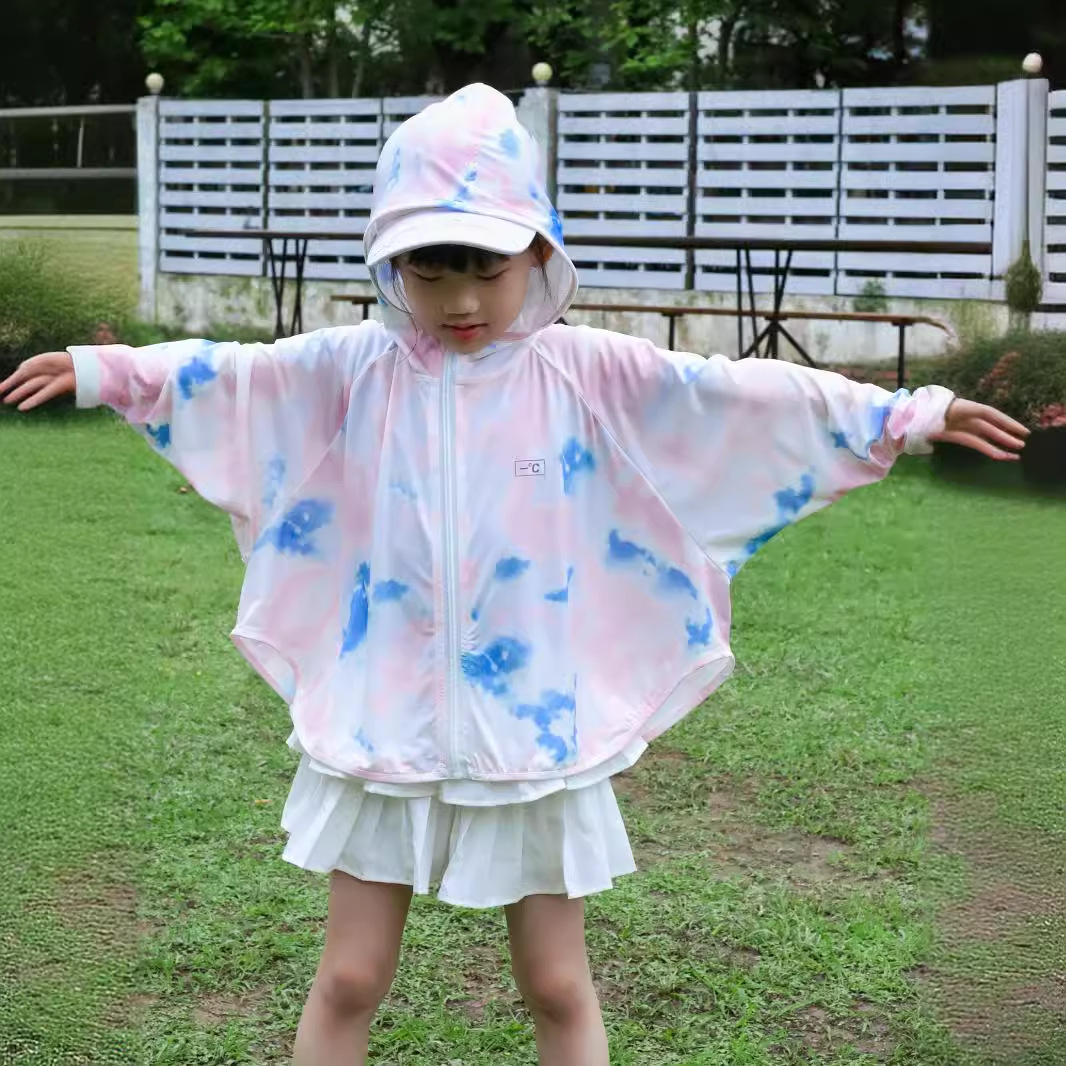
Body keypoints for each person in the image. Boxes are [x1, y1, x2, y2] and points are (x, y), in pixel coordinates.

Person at [0, 84, 1029, 1066]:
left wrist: (907, 412)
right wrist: (104, 369)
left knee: (556, 983)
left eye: (485, 271)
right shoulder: (353, 368)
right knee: (349, 977)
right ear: (392, 265)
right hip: (386, 721)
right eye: (428, 272)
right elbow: (235, 375)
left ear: (536, 253)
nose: (458, 302)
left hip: (537, 726)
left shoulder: (585, 370)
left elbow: (733, 396)